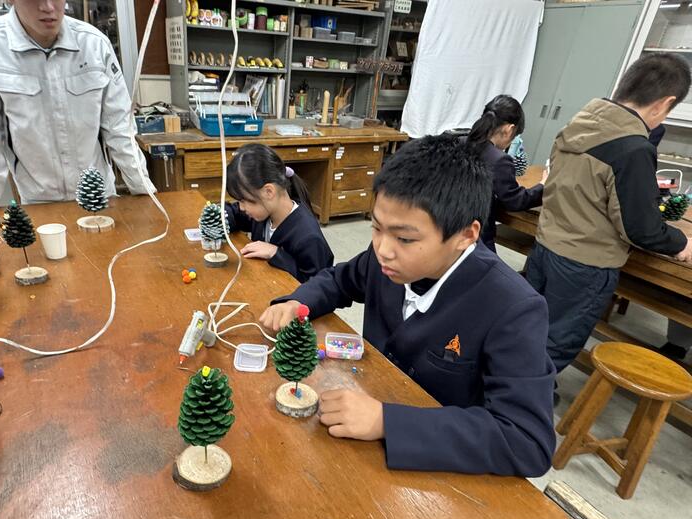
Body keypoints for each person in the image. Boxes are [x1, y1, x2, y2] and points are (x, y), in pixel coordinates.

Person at [260, 135, 555, 477]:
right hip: (362, 439)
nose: (383, 249)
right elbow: (339, 280)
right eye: (376, 227)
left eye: (405, 238)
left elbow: (527, 441)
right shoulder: (386, 260)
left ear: (465, 235)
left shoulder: (514, 308)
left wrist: (387, 421)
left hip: (435, 469)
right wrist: (297, 302)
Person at [525, 53, 692, 375]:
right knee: (558, 342)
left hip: (546, 247)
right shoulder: (632, 147)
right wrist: (680, 243)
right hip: (585, 264)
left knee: (529, 326)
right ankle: (524, 398)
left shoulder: (578, 126)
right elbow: (640, 228)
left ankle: (509, 386)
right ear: (665, 103)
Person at [0, 0, 155, 208]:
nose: (48, 7)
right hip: (38, 201)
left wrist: (145, 190)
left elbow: (119, 127)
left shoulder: (94, 43)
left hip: (98, 195)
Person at [224, 144, 334, 283]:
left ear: (268, 192)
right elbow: (234, 213)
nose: (241, 207)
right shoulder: (264, 211)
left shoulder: (308, 237)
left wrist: (276, 254)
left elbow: (317, 284)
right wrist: (216, 217)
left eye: (244, 200)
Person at [465, 95, 546, 252]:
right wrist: (543, 185)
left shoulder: (459, 142)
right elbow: (514, 200)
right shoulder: (499, 159)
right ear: (509, 130)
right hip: (475, 236)